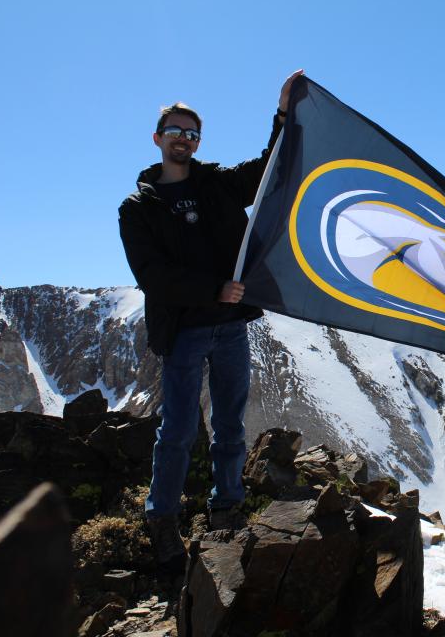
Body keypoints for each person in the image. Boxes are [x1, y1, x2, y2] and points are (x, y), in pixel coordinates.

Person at [118, 69, 303, 573]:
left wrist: (284, 112)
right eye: (175, 132)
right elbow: (152, 275)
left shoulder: (217, 185)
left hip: (231, 325)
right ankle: (162, 521)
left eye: (192, 133)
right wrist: (212, 290)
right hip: (185, 329)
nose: (184, 140)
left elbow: (269, 169)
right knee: (176, 429)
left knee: (229, 425)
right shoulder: (138, 208)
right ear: (158, 139)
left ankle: (226, 508)